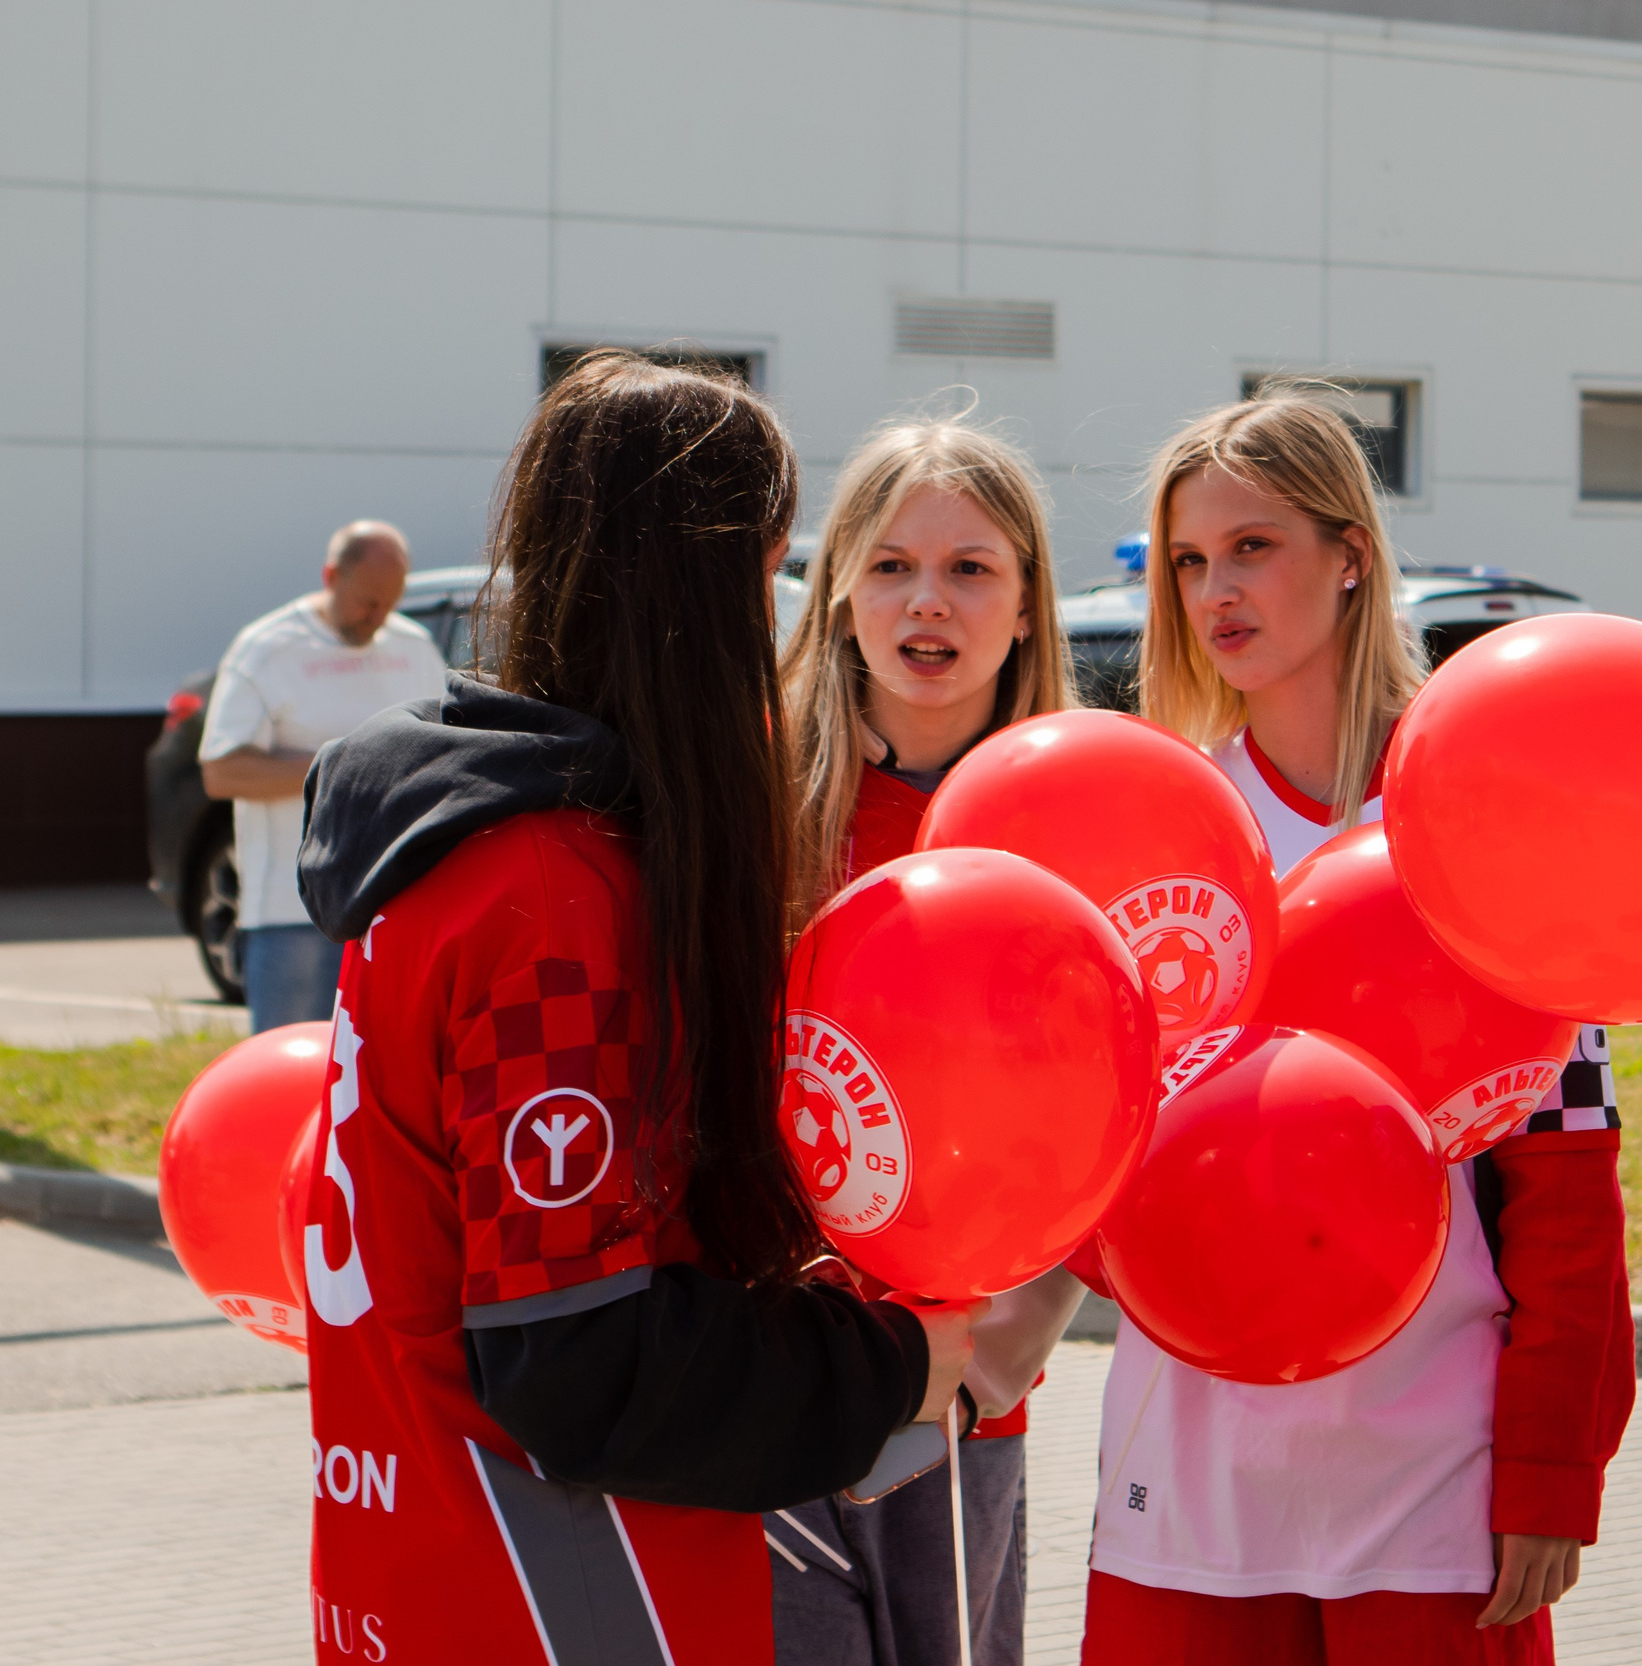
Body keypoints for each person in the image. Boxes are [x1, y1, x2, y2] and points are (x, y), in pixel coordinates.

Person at [294, 353, 980, 1663]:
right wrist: (894, 1359)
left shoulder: (453, 857)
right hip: (557, 1599)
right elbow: (580, 1358)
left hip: (413, 1570)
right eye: (776, 570)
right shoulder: (553, 897)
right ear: (720, 580)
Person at [1079, 389, 1636, 1666]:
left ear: (1352, 556)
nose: (1215, 589)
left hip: (1433, 1476)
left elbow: (1566, 1178)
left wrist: (1553, 1463)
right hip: (1191, 1473)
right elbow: (1073, 1160)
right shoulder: (1151, 829)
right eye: (1188, 560)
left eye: (1253, 546)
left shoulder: (1472, 825)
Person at [770, 416, 1089, 1666]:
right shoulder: (759, 804)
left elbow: (1132, 1104)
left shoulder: (1078, 818)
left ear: (1025, 609)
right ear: (841, 589)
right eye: (893, 565)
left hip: (960, 1401)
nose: (928, 602)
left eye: (972, 570)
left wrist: (1002, 1351)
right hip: (767, 1380)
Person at [199, 520, 443, 1031]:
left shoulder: (415, 647)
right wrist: (344, 765)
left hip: (388, 904)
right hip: (291, 912)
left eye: (390, 603)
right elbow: (221, 772)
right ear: (331, 575)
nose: (378, 618)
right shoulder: (268, 649)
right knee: (289, 1076)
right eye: (367, 602)